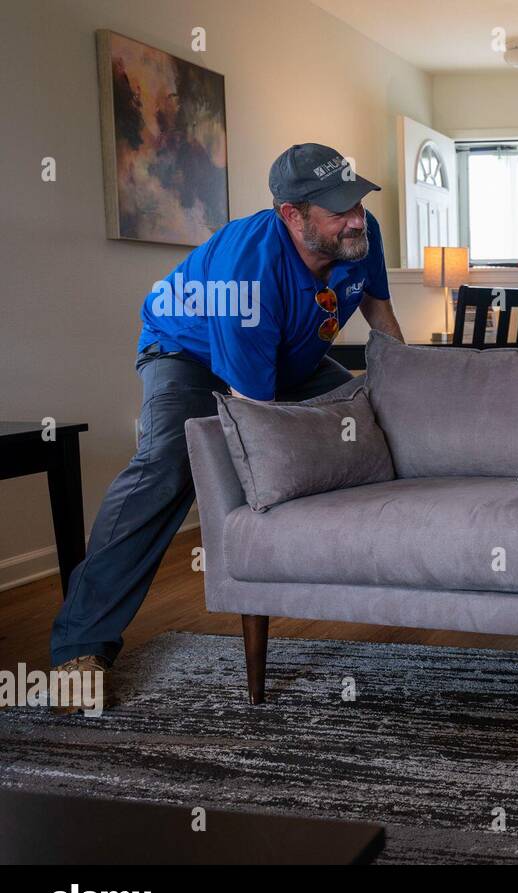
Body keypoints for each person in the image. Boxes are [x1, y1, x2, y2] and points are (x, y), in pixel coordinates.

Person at [49, 143, 405, 711]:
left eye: (357, 200)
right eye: (339, 208)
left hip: (291, 355)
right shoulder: (248, 272)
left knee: (383, 415)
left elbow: (380, 317)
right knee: (168, 466)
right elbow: (253, 414)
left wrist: (401, 390)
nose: (356, 216)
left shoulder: (359, 234)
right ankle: (80, 647)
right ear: (292, 214)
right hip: (189, 354)